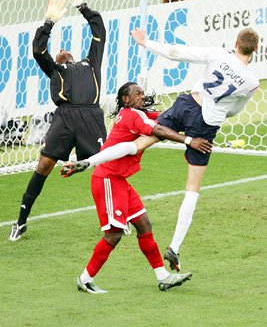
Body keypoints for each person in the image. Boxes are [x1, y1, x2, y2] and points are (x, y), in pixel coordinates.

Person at [64, 27, 259, 274]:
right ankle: (175, 247)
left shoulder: (218, 54)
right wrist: (213, 117)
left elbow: (177, 52)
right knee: (192, 188)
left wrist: (146, 43)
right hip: (206, 125)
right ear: (255, 50)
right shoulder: (252, 83)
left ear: (236, 43)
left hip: (186, 104)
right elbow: (235, 111)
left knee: (138, 144)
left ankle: (88, 162)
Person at [61, 82, 212, 294]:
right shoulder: (131, 114)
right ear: (126, 99)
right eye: (137, 93)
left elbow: (164, 119)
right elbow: (159, 129)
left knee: (144, 225)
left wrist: (188, 112)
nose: (142, 96)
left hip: (119, 180)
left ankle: (163, 276)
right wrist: (189, 141)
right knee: (113, 235)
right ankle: (85, 279)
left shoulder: (137, 114)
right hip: (108, 179)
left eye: (142, 92)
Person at [9, 0, 107, 241]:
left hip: (90, 117)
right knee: (43, 165)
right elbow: (37, 50)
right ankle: (21, 222)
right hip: (63, 117)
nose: (62, 50)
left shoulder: (91, 63)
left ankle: (117, 218)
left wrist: (81, 5)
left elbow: (99, 29)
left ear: (73, 57)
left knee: (107, 165)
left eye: (65, 50)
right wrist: (49, 22)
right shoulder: (53, 70)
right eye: (58, 51)